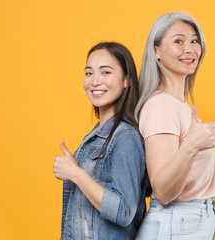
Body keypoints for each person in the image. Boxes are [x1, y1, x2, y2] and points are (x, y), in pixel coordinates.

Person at [135, 12, 215, 240]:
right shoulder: (161, 106)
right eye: (178, 41)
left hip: (185, 223)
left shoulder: (177, 104)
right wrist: (192, 145)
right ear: (156, 51)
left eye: (194, 40)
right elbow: (162, 191)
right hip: (177, 223)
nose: (190, 49)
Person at [53, 42, 149, 240]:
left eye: (105, 72)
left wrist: (76, 174)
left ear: (127, 80)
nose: (95, 81)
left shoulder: (125, 137)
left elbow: (124, 211)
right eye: (89, 73)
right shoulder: (98, 134)